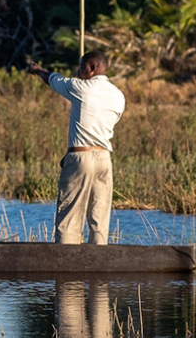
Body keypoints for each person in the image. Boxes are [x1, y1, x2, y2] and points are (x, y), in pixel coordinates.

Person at [28, 51, 126, 245]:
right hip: (105, 159)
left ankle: (68, 268)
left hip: (81, 157)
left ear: (91, 68)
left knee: (69, 216)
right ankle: (98, 267)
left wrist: (38, 70)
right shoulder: (118, 96)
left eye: (81, 67)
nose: (78, 71)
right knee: (99, 217)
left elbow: (54, 79)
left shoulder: (80, 87)